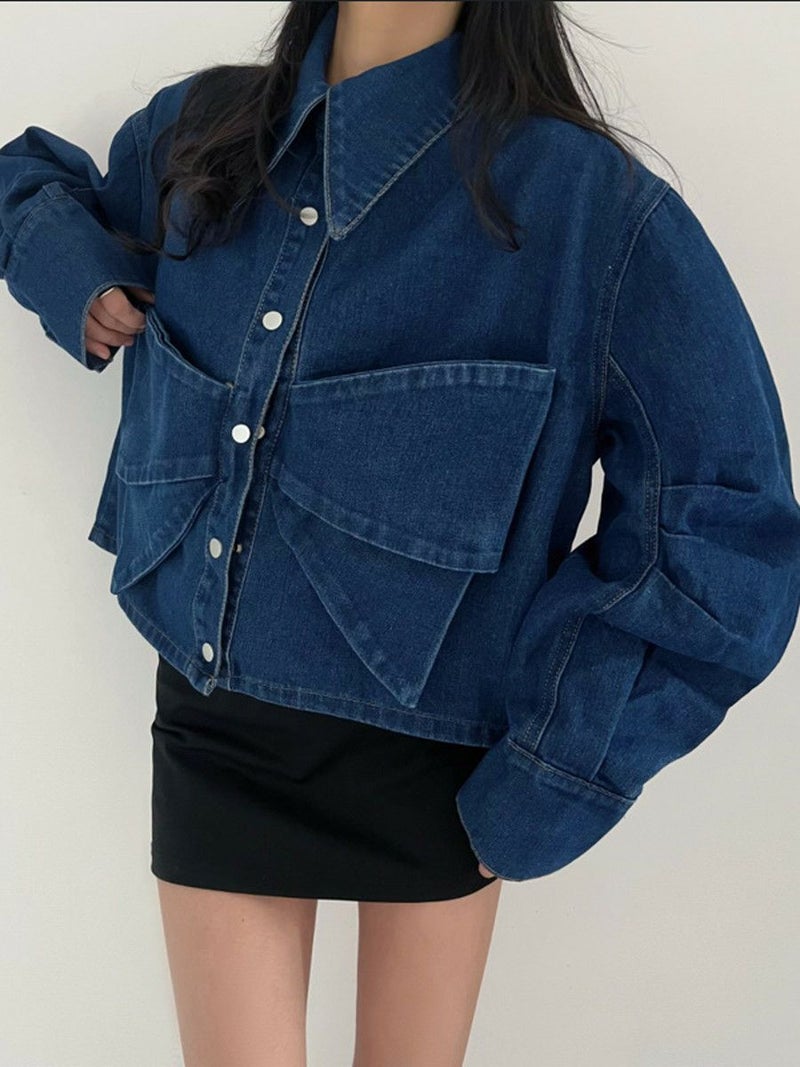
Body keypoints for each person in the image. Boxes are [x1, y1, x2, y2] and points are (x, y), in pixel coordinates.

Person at [2, 2, 799, 1065]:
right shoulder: (198, 134)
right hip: (214, 723)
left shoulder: (585, 208)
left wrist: (548, 777)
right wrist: (80, 276)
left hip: (438, 772)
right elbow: (26, 182)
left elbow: (727, 526)